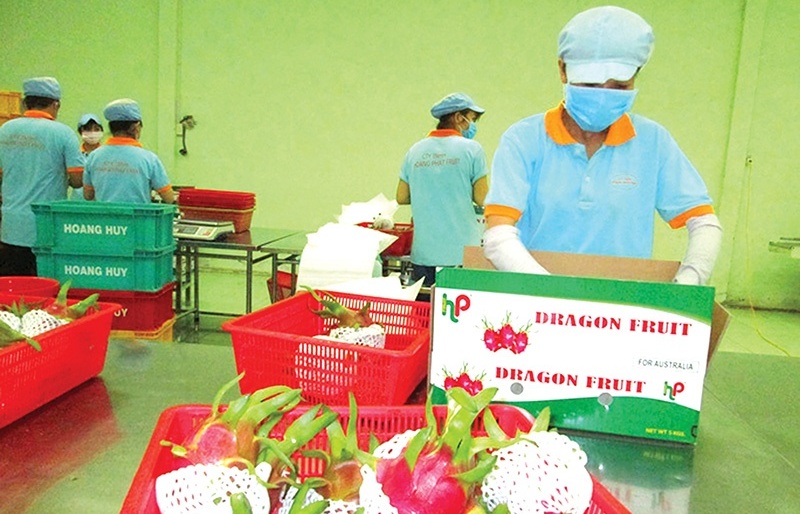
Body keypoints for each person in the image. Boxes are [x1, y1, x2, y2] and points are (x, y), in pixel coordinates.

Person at [483, 6, 722, 286]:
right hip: (535, 299)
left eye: (619, 87)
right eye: (590, 84)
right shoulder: (524, 140)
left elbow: (704, 223)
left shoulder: (652, 143)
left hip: (622, 303)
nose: (602, 97)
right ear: (562, 70)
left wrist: (689, 282)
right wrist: (551, 293)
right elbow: (498, 236)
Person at [396, 92, 489, 288]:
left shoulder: (415, 151)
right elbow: (482, 198)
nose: (472, 125)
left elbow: (401, 197)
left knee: (425, 306)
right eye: (471, 119)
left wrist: (429, 191)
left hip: (424, 254)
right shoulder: (472, 149)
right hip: (461, 254)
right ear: (458, 117)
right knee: (459, 307)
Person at [0, 76, 84, 276]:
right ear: (56, 104)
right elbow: (78, 180)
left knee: (14, 287)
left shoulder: (5, 130)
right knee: (45, 287)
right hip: (46, 228)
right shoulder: (64, 134)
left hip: (10, 226)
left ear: (25, 103)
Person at [83, 98, 175, 204]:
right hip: (138, 215)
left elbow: (88, 195)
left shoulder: (94, 156)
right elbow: (169, 198)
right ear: (136, 127)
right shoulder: (149, 159)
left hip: (104, 215)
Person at [69, 113, 104, 201]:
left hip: (100, 202)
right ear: (80, 132)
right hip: (77, 202)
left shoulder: (105, 154)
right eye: (88, 129)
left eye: (96, 129)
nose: (92, 133)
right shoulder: (75, 154)